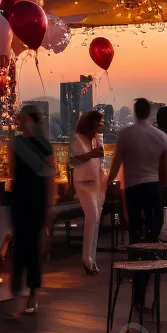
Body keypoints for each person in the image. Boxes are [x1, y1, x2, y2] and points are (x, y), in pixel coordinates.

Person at [7, 104, 55, 317]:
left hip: (26, 198)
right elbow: (49, 177)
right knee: (25, 245)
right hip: (30, 198)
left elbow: (12, 172)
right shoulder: (41, 145)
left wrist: (49, 205)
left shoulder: (19, 144)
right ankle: (25, 294)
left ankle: (25, 293)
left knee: (27, 246)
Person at [106, 98, 167, 245]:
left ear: (135, 112)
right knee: (153, 227)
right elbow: (166, 170)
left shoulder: (125, 135)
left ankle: (135, 259)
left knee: (134, 227)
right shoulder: (161, 136)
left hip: (132, 188)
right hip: (153, 187)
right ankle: (151, 257)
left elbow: (116, 163)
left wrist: (108, 182)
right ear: (149, 112)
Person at [70, 110, 106, 275]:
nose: (102, 125)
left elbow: (98, 160)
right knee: (92, 217)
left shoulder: (96, 139)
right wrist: (92, 154)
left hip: (97, 182)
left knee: (96, 219)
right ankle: (87, 259)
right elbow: (72, 161)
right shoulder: (77, 138)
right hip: (84, 183)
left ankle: (91, 258)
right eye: (99, 123)